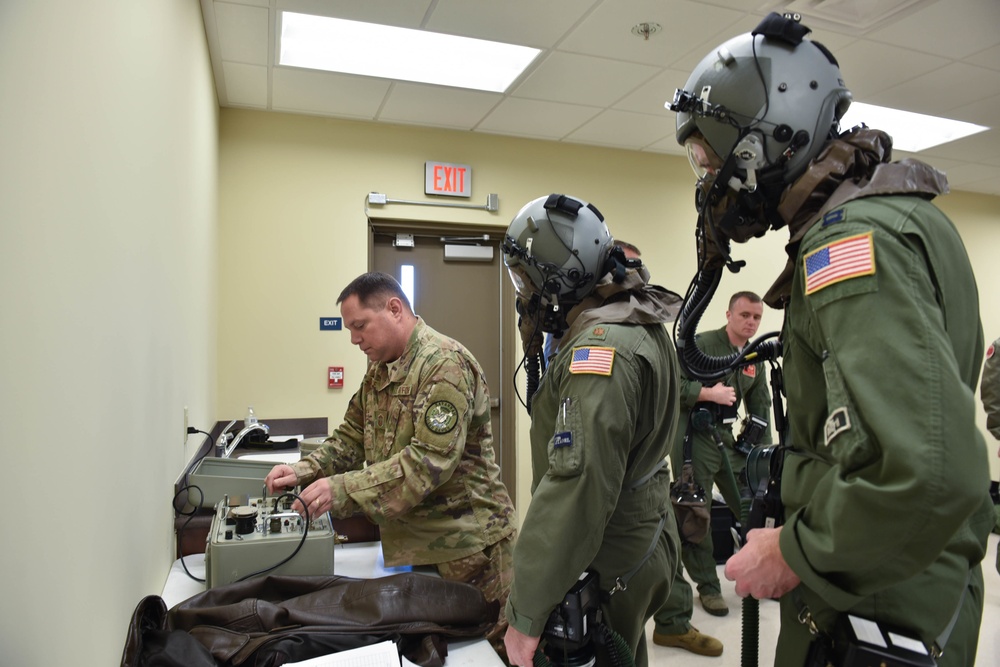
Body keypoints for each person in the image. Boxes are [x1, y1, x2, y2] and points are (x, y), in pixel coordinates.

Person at [666, 12, 994, 666]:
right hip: (879, 574)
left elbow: (927, 471)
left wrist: (794, 550)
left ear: (763, 140)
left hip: (877, 597)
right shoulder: (887, 219)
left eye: (708, 157)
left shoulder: (851, 245)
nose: (708, 180)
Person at [264, 271, 517, 655]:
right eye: (350, 329)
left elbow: (427, 463)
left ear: (394, 309)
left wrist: (341, 490)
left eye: (360, 326)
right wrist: (303, 471)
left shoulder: (443, 364)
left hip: (472, 552)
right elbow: (350, 437)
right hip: (418, 546)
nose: (354, 339)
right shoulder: (380, 369)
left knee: (499, 653)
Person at [500, 194, 682, 667]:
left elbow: (577, 487)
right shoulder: (632, 313)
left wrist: (527, 612)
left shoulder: (600, 352)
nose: (523, 292)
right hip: (641, 534)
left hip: (610, 550)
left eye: (525, 278)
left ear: (559, 277)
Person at [652, 291, 771, 655]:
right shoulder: (702, 345)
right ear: (729, 314)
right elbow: (671, 383)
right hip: (694, 438)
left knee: (751, 507)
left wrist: (762, 454)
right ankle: (708, 588)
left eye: (756, 317)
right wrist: (707, 393)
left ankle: (760, 573)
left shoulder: (753, 356)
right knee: (696, 514)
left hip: (728, 441)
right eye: (745, 315)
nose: (750, 322)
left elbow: (761, 402)